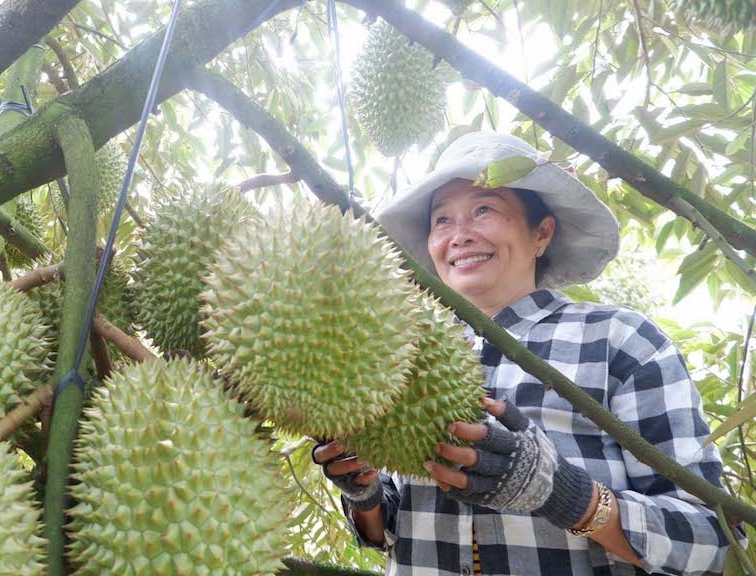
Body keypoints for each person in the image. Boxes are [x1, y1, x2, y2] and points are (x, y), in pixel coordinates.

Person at [313, 132, 734, 575]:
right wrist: (365, 494)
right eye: (441, 220)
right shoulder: (396, 347)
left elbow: (708, 540)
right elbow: (391, 532)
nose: (459, 236)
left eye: (483, 209)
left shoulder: (619, 340)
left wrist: (565, 496)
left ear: (542, 233)